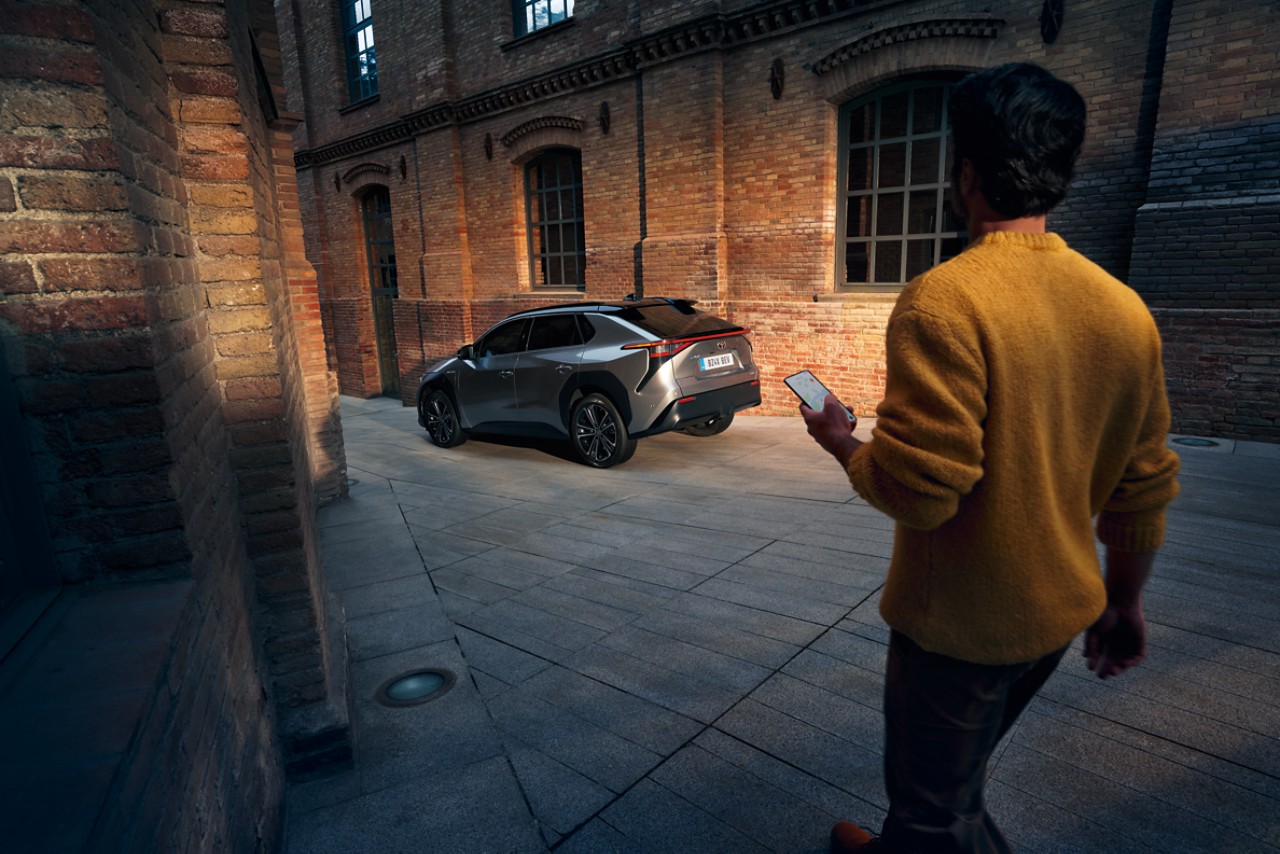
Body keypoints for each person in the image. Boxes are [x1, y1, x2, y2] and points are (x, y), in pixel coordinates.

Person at [801, 62, 1181, 853]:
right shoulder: (1125, 310)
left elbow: (923, 491)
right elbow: (1142, 486)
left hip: (961, 631)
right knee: (957, 782)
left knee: (932, 814)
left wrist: (844, 445)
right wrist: (1125, 602)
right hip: (1059, 611)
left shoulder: (945, 298)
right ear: (1062, 172)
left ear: (966, 173)